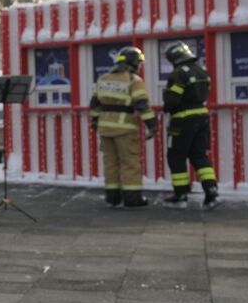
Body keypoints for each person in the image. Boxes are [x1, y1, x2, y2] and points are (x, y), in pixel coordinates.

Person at [89, 46, 157, 207]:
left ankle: (113, 197)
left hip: (105, 128)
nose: (139, 67)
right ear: (133, 63)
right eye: (138, 63)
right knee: (129, 162)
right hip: (125, 128)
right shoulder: (133, 80)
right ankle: (132, 198)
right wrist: (152, 125)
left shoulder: (103, 79)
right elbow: (142, 105)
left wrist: (95, 122)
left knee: (111, 163)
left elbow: (95, 104)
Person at [162, 42, 218, 207]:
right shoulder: (202, 71)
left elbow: (172, 100)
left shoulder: (178, 74)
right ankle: (211, 190)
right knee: (199, 155)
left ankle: (180, 196)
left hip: (182, 120)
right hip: (202, 116)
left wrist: (166, 106)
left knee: (176, 156)